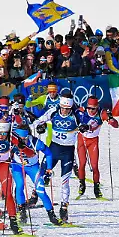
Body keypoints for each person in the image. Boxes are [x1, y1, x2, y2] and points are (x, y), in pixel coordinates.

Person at [32, 90, 82, 222]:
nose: (65, 111)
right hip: (53, 149)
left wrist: (85, 127)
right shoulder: (54, 111)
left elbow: (88, 124)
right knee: (40, 172)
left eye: (67, 109)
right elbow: (38, 121)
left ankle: (64, 208)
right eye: (63, 108)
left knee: (64, 182)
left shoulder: (76, 114)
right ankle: (34, 195)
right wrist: (39, 127)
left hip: (68, 152)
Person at [10, 124, 62, 225]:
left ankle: (52, 215)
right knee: (20, 185)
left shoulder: (35, 142)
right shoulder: (12, 141)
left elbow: (49, 153)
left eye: (24, 139)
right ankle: (22, 211)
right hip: (17, 165)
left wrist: (49, 168)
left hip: (33, 167)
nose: (23, 141)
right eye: (20, 139)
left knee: (41, 191)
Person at [75, 96, 119, 198]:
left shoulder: (101, 113)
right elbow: (70, 115)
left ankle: (96, 188)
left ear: (97, 107)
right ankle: (82, 184)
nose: (90, 110)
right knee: (82, 164)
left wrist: (111, 119)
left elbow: (116, 125)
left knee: (94, 166)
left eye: (93, 108)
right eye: (89, 108)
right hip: (82, 139)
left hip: (93, 141)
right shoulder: (81, 111)